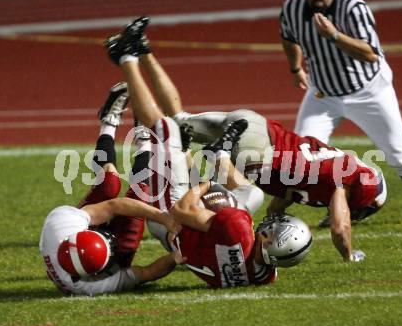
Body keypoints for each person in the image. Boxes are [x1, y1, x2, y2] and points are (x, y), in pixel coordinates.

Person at [104, 16, 386, 262]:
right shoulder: (345, 180)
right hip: (257, 149)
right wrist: (350, 255)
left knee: (177, 121)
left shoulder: (326, 175)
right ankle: (219, 153)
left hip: (253, 125)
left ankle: (140, 48)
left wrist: (270, 221)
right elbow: (340, 227)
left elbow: (283, 197)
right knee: (165, 130)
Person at [102, 17, 313, 287]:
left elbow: (181, 211)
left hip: (170, 216)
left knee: (164, 127)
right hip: (205, 229)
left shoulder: (237, 229)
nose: (271, 226)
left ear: (271, 241)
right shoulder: (263, 275)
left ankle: (125, 58)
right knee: (255, 194)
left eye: (274, 231)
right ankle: (217, 154)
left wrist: (207, 184)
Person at [279, 0, 402, 223]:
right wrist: (296, 68)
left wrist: (333, 35)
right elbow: (288, 37)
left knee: (400, 154)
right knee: (302, 156)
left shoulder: (352, 7)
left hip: (369, 90)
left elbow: (371, 54)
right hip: (323, 93)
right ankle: (339, 208)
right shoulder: (292, 8)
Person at [40, 83, 183, 296]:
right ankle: (144, 140)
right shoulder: (91, 286)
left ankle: (108, 121)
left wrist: (164, 218)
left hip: (75, 235)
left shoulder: (61, 223)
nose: (112, 241)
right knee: (142, 192)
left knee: (109, 182)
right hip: (98, 263)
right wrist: (176, 258)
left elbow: (115, 205)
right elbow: (145, 273)